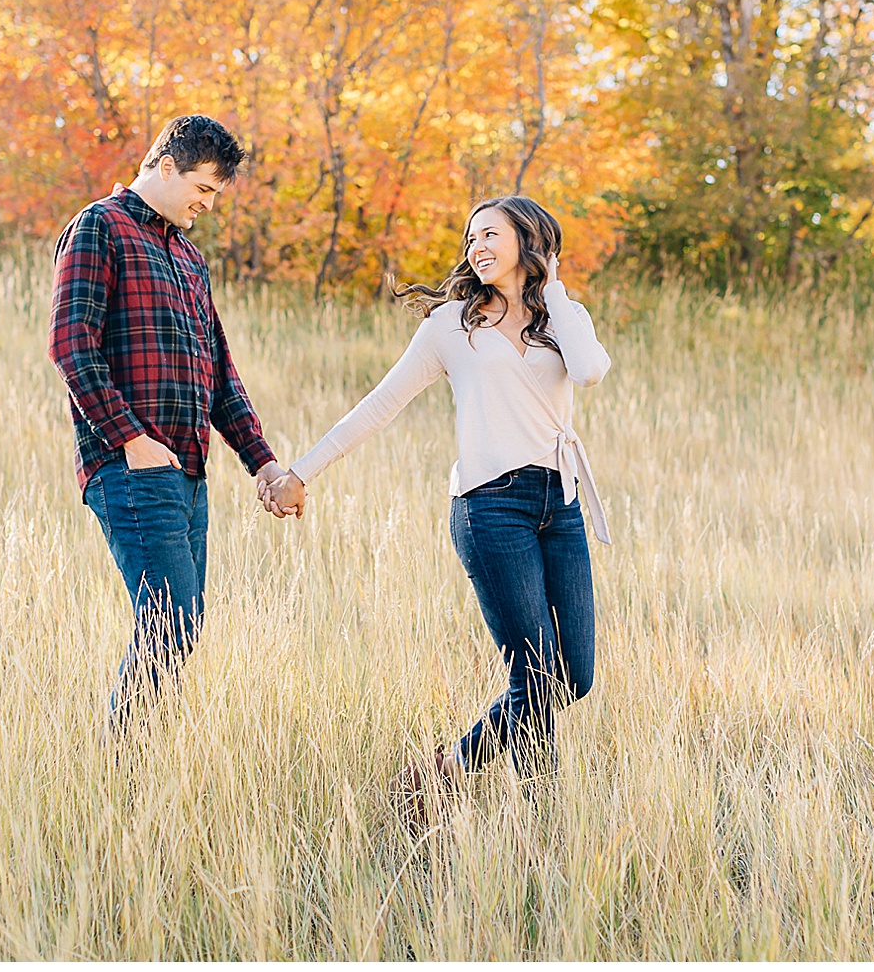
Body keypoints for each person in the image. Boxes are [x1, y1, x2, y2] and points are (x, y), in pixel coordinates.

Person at [260, 195, 612, 801]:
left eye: (491, 235)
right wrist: (301, 471)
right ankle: (526, 808)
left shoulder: (564, 317)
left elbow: (589, 370)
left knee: (573, 675)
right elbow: (377, 406)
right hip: (491, 507)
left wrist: (553, 291)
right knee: (535, 671)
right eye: (471, 236)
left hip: (562, 505)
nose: (477, 246)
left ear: (531, 243)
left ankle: (450, 769)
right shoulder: (452, 325)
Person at [49, 114, 290, 737]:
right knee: (171, 625)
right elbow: (72, 344)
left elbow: (219, 374)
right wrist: (132, 440)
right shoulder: (99, 227)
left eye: (216, 195)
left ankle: (128, 765)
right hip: (130, 467)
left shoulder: (189, 257)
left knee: (178, 632)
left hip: (188, 473)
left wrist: (262, 460)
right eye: (203, 189)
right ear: (164, 166)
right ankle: (112, 764)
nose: (208, 205)